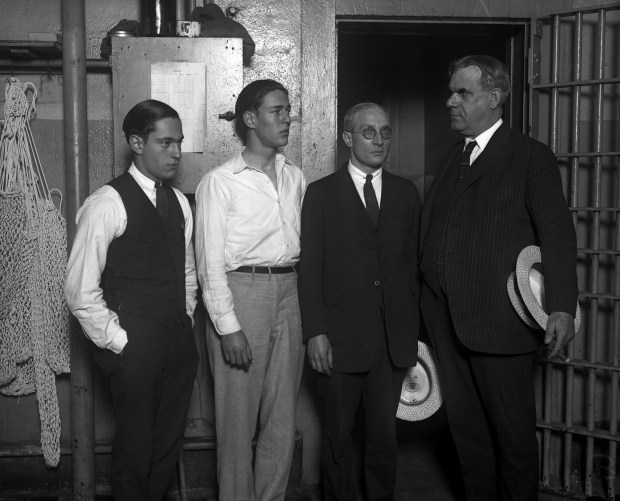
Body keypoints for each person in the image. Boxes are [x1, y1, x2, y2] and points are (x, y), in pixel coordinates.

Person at [419, 55, 578, 500]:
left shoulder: (529, 156)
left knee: (513, 442)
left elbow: (557, 238)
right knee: (468, 437)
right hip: (446, 325)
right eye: (451, 91)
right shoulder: (453, 156)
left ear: (495, 97)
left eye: (462, 93)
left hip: (501, 325)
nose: (451, 101)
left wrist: (561, 307)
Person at [65, 100, 199, 500]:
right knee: (135, 451)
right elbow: (79, 290)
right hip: (133, 351)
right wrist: (121, 343)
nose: (176, 153)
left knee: (166, 446)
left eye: (179, 142)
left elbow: (187, 272)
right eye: (165, 142)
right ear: (137, 143)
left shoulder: (178, 202)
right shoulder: (107, 202)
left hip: (178, 345)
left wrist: (186, 318)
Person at [298, 102, 421, 500]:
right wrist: (315, 331)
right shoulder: (320, 194)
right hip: (338, 341)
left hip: (390, 342)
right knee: (338, 439)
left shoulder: (406, 193)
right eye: (369, 132)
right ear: (348, 138)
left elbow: (413, 268)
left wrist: (412, 333)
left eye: (385, 132)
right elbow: (310, 269)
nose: (379, 140)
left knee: (384, 439)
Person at [195, 79, 305, 501]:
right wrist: (228, 326)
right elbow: (209, 265)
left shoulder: (296, 178)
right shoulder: (219, 182)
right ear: (250, 119)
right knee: (237, 423)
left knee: (282, 417)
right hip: (242, 294)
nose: (286, 120)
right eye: (277, 111)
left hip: (290, 291)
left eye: (288, 110)